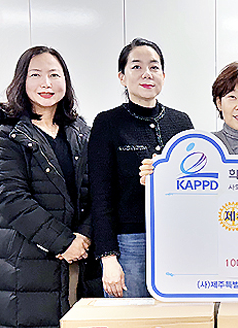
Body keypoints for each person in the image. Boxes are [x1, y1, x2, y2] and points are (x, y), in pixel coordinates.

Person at [0, 46, 91, 328]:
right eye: (36, 74)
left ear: (66, 81)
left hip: (77, 266)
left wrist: (84, 237)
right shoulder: (5, 135)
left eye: (54, 74)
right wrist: (63, 242)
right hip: (26, 268)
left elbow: (94, 192)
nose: (46, 83)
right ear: (21, 81)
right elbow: (12, 200)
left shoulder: (80, 132)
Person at [89, 38, 193, 298]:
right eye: (136, 67)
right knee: (131, 319)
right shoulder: (107, 123)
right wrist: (108, 258)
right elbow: (100, 196)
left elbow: (193, 185)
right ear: (122, 77)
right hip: (130, 243)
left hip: (176, 240)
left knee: (176, 319)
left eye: (154, 67)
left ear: (164, 76)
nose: (147, 73)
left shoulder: (181, 122)